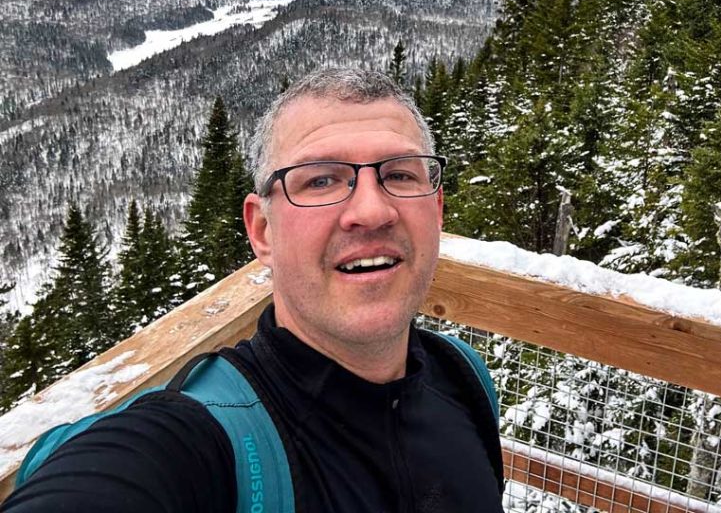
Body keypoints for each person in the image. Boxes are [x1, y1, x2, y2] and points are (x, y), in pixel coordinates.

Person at [3, 67, 505, 512]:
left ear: (436, 211)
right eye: (321, 181)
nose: (371, 211)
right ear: (262, 231)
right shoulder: (209, 439)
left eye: (399, 173)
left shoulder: (462, 377)